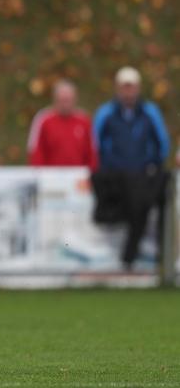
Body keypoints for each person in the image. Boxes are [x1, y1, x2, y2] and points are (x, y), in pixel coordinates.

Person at [92, 66, 171, 270]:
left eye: (132, 87)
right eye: (124, 88)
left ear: (138, 88)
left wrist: (152, 164)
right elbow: (96, 144)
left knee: (144, 206)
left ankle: (138, 258)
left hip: (143, 174)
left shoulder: (149, 112)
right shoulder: (106, 113)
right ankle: (128, 257)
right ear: (118, 89)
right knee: (130, 210)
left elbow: (162, 143)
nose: (128, 92)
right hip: (116, 176)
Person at [27, 79, 97, 168]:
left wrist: (91, 175)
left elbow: (91, 152)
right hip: (51, 176)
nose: (65, 104)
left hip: (78, 177)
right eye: (62, 100)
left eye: (68, 100)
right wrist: (39, 176)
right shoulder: (43, 120)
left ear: (75, 99)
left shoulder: (84, 120)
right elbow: (36, 151)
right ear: (55, 99)